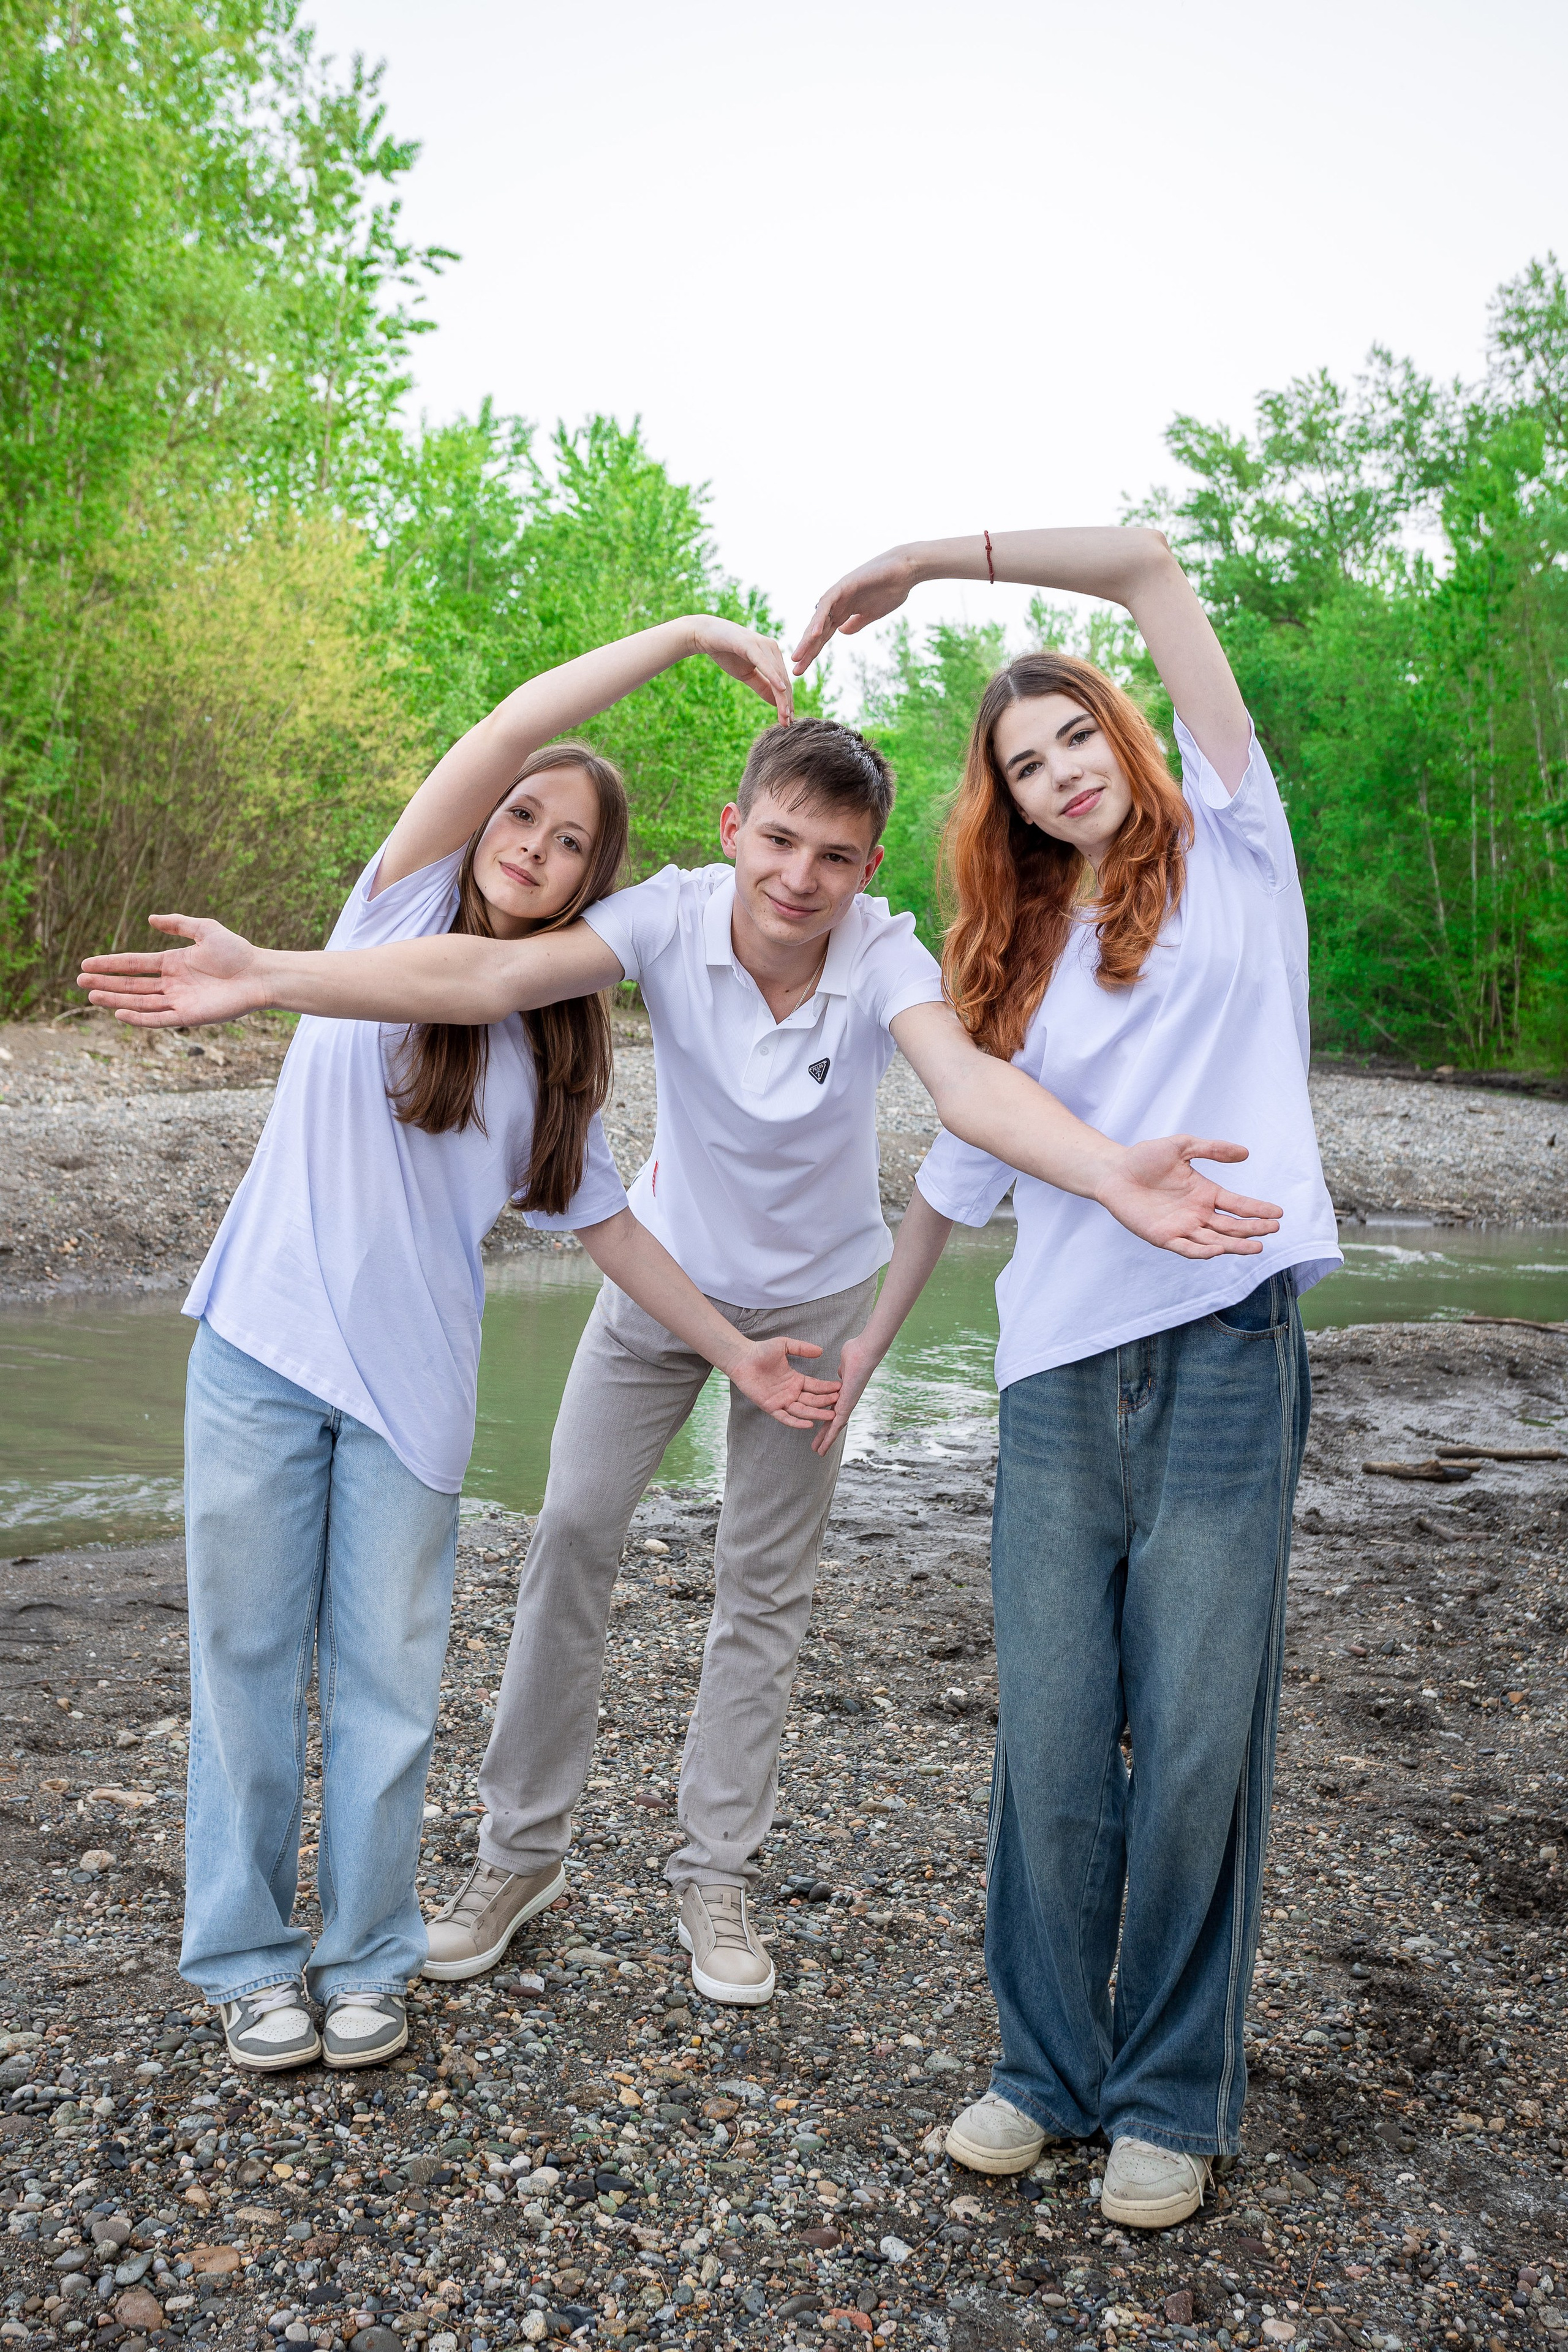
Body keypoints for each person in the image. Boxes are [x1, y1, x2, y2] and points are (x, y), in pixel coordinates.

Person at [80, 630, 1281, 2022]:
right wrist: (272, 972)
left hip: (817, 1302)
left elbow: (959, 1087)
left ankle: (712, 1874)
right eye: (777, 842)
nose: (798, 879)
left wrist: (1097, 1166)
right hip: (655, 1296)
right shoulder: (653, 916)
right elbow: (478, 967)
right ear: (733, 831)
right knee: (568, 1536)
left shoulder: (874, 957)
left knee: (760, 1593)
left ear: (867, 869)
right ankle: (513, 1860)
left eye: (833, 858)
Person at [83, 616, 849, 2076]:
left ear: (589, 887)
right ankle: (248, 1962)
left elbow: (616, 1234)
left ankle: (367, 1955)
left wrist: (741, 1357)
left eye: (572, 848)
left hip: (413, 1397)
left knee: (385, 1684)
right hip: (256, 1351)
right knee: (246, 1661)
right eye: (524, 820)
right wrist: (684, 638)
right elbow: (510, 724)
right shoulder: (391, 908)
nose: (537, 848)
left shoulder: (552, 1037)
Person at [791, 525, 1341, 2226]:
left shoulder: (1245, 850)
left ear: (1126, 730)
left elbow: (1155, 566)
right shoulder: (1007, 956)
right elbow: (959, 1186)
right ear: (1008, 803)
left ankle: (1173, 2093)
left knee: (1191, 1743)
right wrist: (862, 1361)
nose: (1056, 776)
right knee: (1047, 1739)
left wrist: (930, 561)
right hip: (1054, 1383)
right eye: (1023, 768)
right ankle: (1044, 2069)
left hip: (1232, 1345)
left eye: (1074, 738)